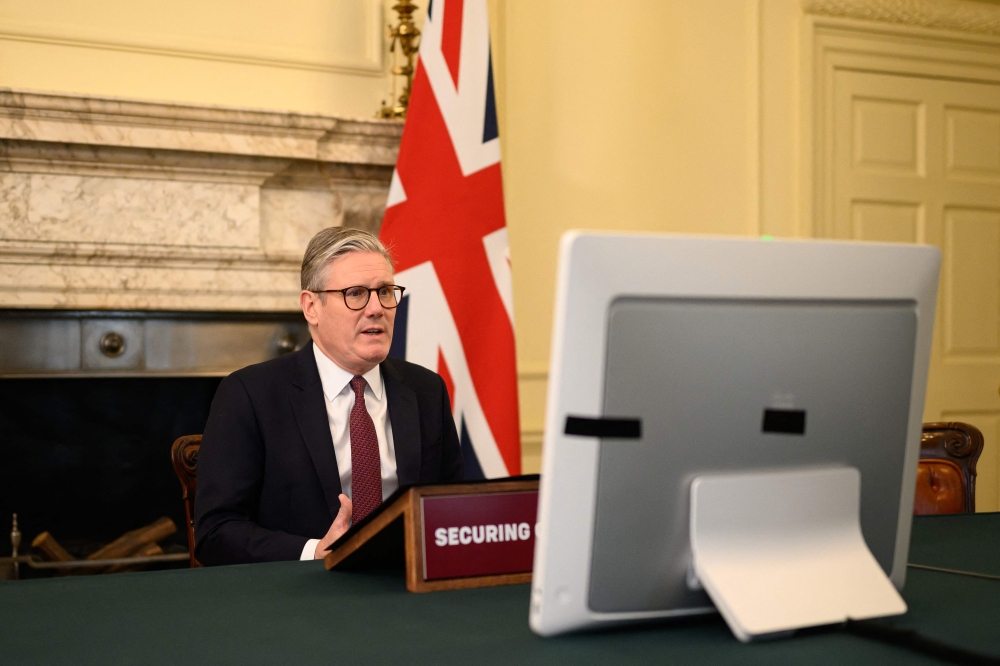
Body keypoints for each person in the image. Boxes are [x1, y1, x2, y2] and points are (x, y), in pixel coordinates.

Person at [194, 227, 464, 564]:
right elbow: (216, 532)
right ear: (311, 307)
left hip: (406, 591)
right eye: (355, 293)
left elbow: (454, 511)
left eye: (385, 292)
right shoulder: (250, 395)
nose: (377, 308)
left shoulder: (425, 391)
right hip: (299, 600)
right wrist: (313, 552)